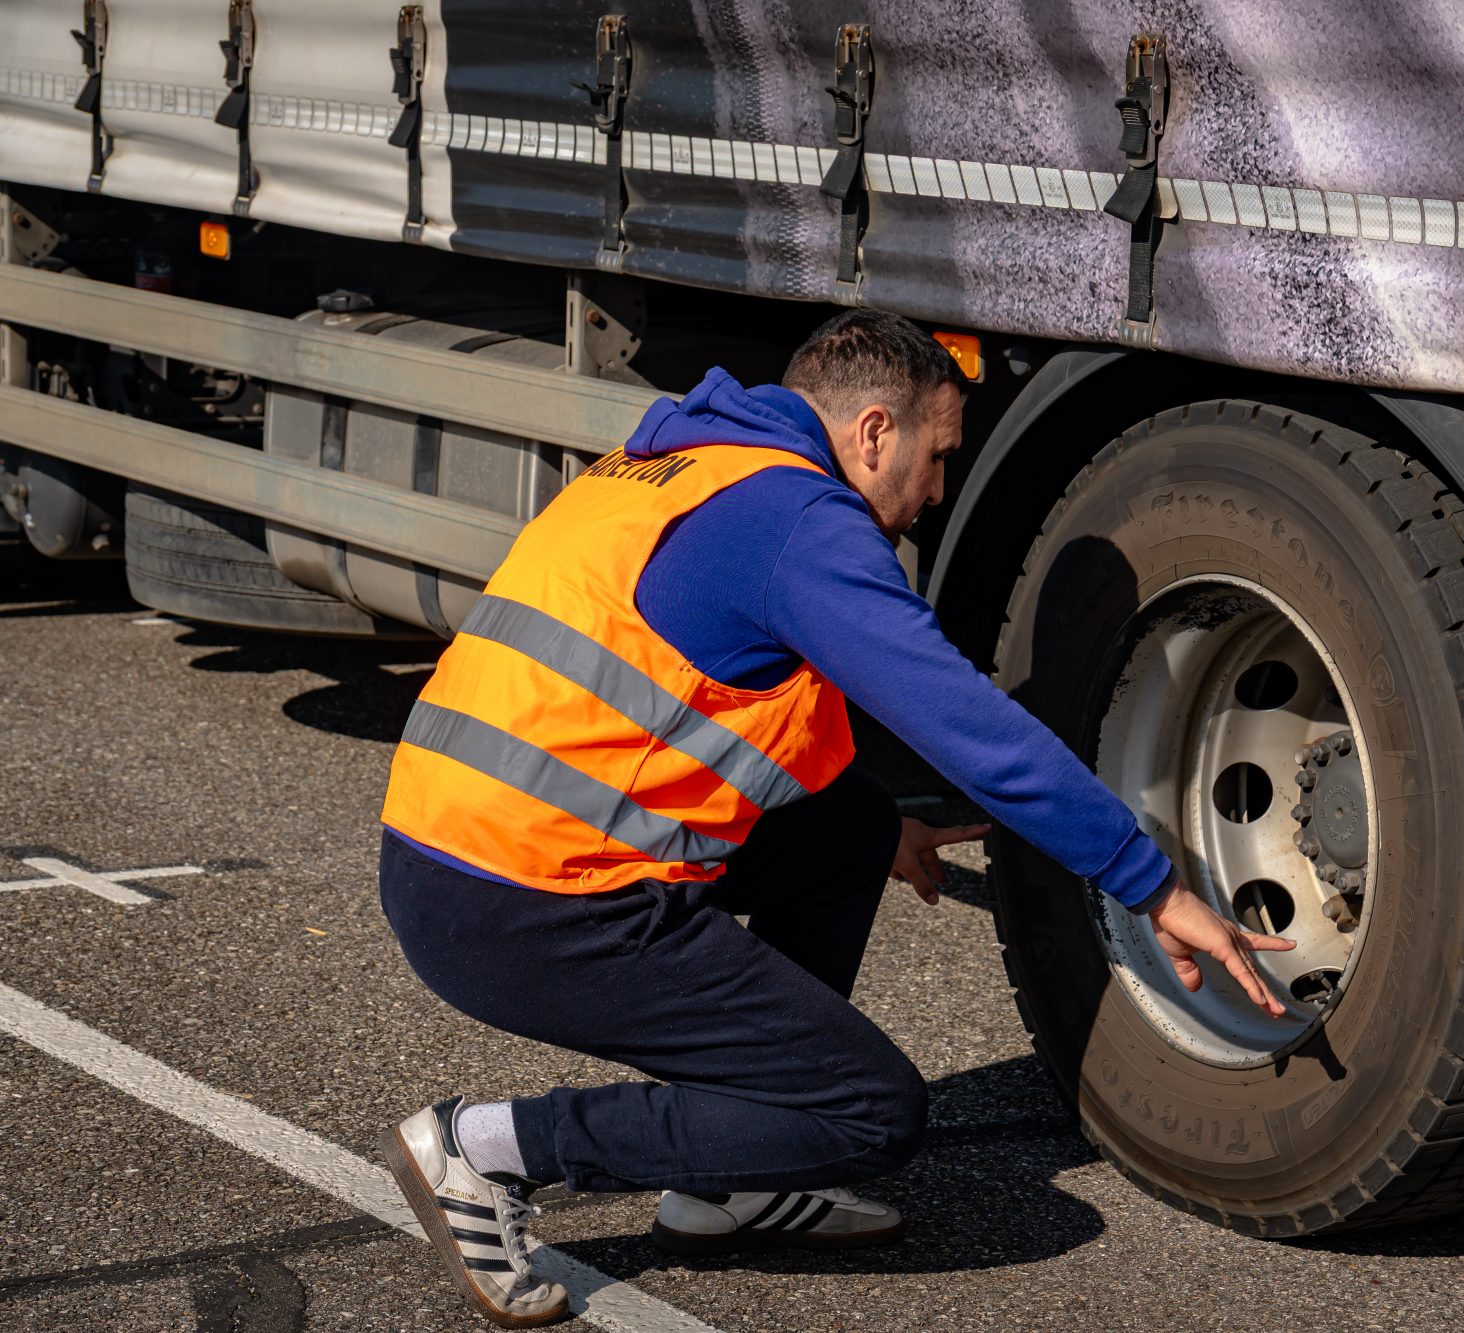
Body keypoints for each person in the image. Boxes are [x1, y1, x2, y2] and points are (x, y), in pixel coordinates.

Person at [373, 309, 1295, 1326]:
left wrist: (865, 825)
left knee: (853, 827)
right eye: (937, 455)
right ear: (869, 433)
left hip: (463, 847)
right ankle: (491, 1147)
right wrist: (1151, 882)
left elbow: (693, 701)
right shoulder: (800, 526)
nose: (939, 491)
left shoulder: (691, 464)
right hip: (521, 903)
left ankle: (729, 1184)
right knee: (870, 1111)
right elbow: (970, 729)